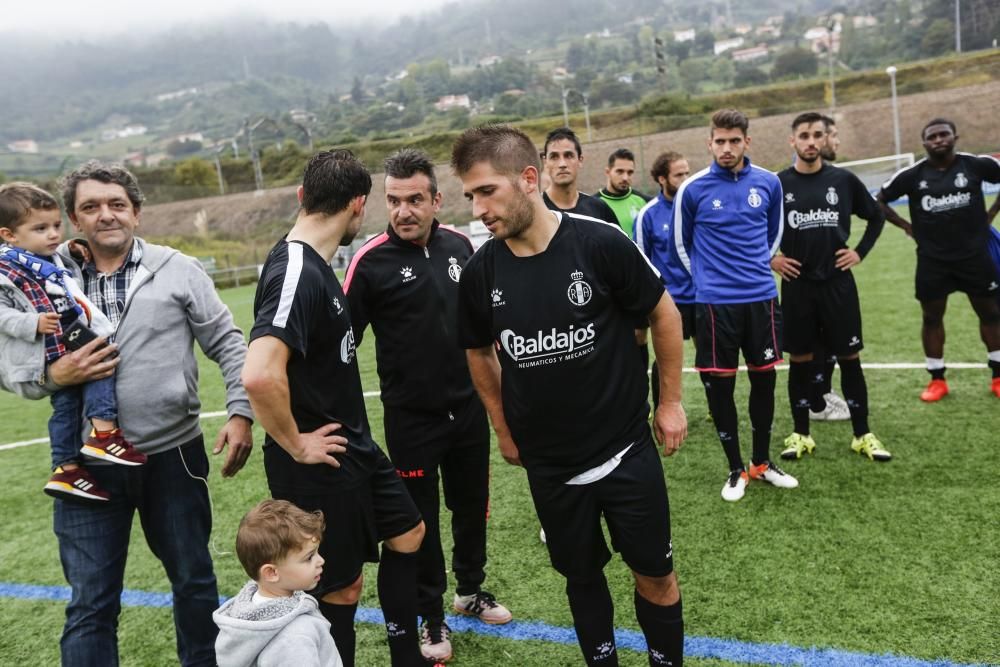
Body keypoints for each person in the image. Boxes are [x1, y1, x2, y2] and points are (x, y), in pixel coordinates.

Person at [453, 124, 687, 667]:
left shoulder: (598, 242)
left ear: (528, 179)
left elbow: (663, 312)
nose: (479, 207)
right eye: (470, 195)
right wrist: (502, 426)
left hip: (626, 449)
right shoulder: (480, 273)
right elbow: (478, 351)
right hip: (550, 465)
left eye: (487, 190)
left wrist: (670, 401)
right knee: (581, 578)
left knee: (655, 574)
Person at [9, 161, 254, 667]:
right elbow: (11, 365)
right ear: (75, 220)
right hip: (84, 468)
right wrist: (56, 377)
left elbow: (229, 344)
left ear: (136, 212)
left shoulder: (178, 268)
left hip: (171, 455)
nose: (106, 215)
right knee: (90, 602)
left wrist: (241, 412)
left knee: (193, 580)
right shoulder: (43, 276)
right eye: (91, 207)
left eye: (117, 204)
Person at [242, 149, 426, 667]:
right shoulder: (297, 269)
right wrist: (296, 444)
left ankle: (404, 654)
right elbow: (258, 373)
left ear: (303, 196)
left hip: (354, 448)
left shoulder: (314, 264)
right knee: (341, 588)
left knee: (409, 532)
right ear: (358, 205)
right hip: (318, 464)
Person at [343, 149, 511, 663]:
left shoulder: (462, 246)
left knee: (471, 506)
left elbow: (485, 327)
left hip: (469, 408)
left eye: (415, 199)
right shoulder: (369, 262)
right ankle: (430, 613)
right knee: (421, 520)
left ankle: (470, 590)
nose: (404, 211)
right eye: (393, 201)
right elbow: (341, 343)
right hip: (411, 418)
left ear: (436, 200)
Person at [674, 109, 799, 502]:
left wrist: (758, 265)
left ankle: (762, 463)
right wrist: (708, 281)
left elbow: (775, 230)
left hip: (761, 299)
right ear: (709, 144)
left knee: (765, 380)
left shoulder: (769, 182)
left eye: (734, 141)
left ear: (747, 141)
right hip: (715, 306)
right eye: (719, 141)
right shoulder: (692, 189)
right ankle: (735, 468)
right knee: (720, 387)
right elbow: (682, 245)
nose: (726, 148)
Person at [0, 182, 147, 503]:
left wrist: (71, 248)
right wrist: (31, 323)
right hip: (46, 347)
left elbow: (54, 263)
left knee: (66, 405)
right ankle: (104, 432)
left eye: (56, 225)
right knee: (102, 361)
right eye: (41, 228)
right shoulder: (4, 269)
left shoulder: (47, 256)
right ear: (9, 235)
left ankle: (65, 467)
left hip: (64, 337)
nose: (53, 235)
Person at [773, 112, 891, 463]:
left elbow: (876, 215)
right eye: (804, 135)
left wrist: (859, 252)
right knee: (801, 359)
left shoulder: (842, 180)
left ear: (825, 139)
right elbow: (752, 229)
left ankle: (862, 434)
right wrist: (771, 259)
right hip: (797, 286)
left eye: (817, 135)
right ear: (792, 141)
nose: (811, 141)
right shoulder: (777, 184)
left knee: (850, 357)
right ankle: (800, 434)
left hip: (838, 284)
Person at [878, 118, 1000, 400]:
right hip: (933, 260)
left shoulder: (974, 164)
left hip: (975, 255)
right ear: (924, 143)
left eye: (944, 134)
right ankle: (937, 379)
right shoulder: (912, 175)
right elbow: (879, 200)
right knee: (932, 317)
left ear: (955, 136)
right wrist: (906, 226)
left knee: (991, 313)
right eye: (932, 137)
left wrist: (991, 213)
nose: (938, 140)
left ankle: (997, 375)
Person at [214, 499, 343, 667]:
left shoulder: (245, 610)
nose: (321, 561)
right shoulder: (295, 638)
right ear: (272, 572)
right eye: (309, 557)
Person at [634, 152, 695, 407]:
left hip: (701, 295)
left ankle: (716, 409)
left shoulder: (696, 206)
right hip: (668, 300)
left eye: (687, 173)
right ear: (662, 179)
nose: (685, 179)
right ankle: (661, 408)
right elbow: (640, 261)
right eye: (679, 175)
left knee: (710, 358)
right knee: (664, 359)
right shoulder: (648, 215)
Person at [801, 114, 852, 422]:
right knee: (814, 340)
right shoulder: (789, 182)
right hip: (807, 282)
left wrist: (857, 252)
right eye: (832, 136)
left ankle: (821, 393)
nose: (833, 143)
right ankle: (814, 401)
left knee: (829, 338)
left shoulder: (838, 178)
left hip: (834, 279)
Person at [541, 127, 618, 226]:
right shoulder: (534, 211)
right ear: (545, 162)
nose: (562, 164)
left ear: (580, 160)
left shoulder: (599, 209)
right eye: (554, 157)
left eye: (568, 155)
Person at [598, 147, 650, 238]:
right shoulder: (593, 204)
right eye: (620, 172)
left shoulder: (645, 202)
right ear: (607, 172)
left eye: (630, 172)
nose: (625, 178)